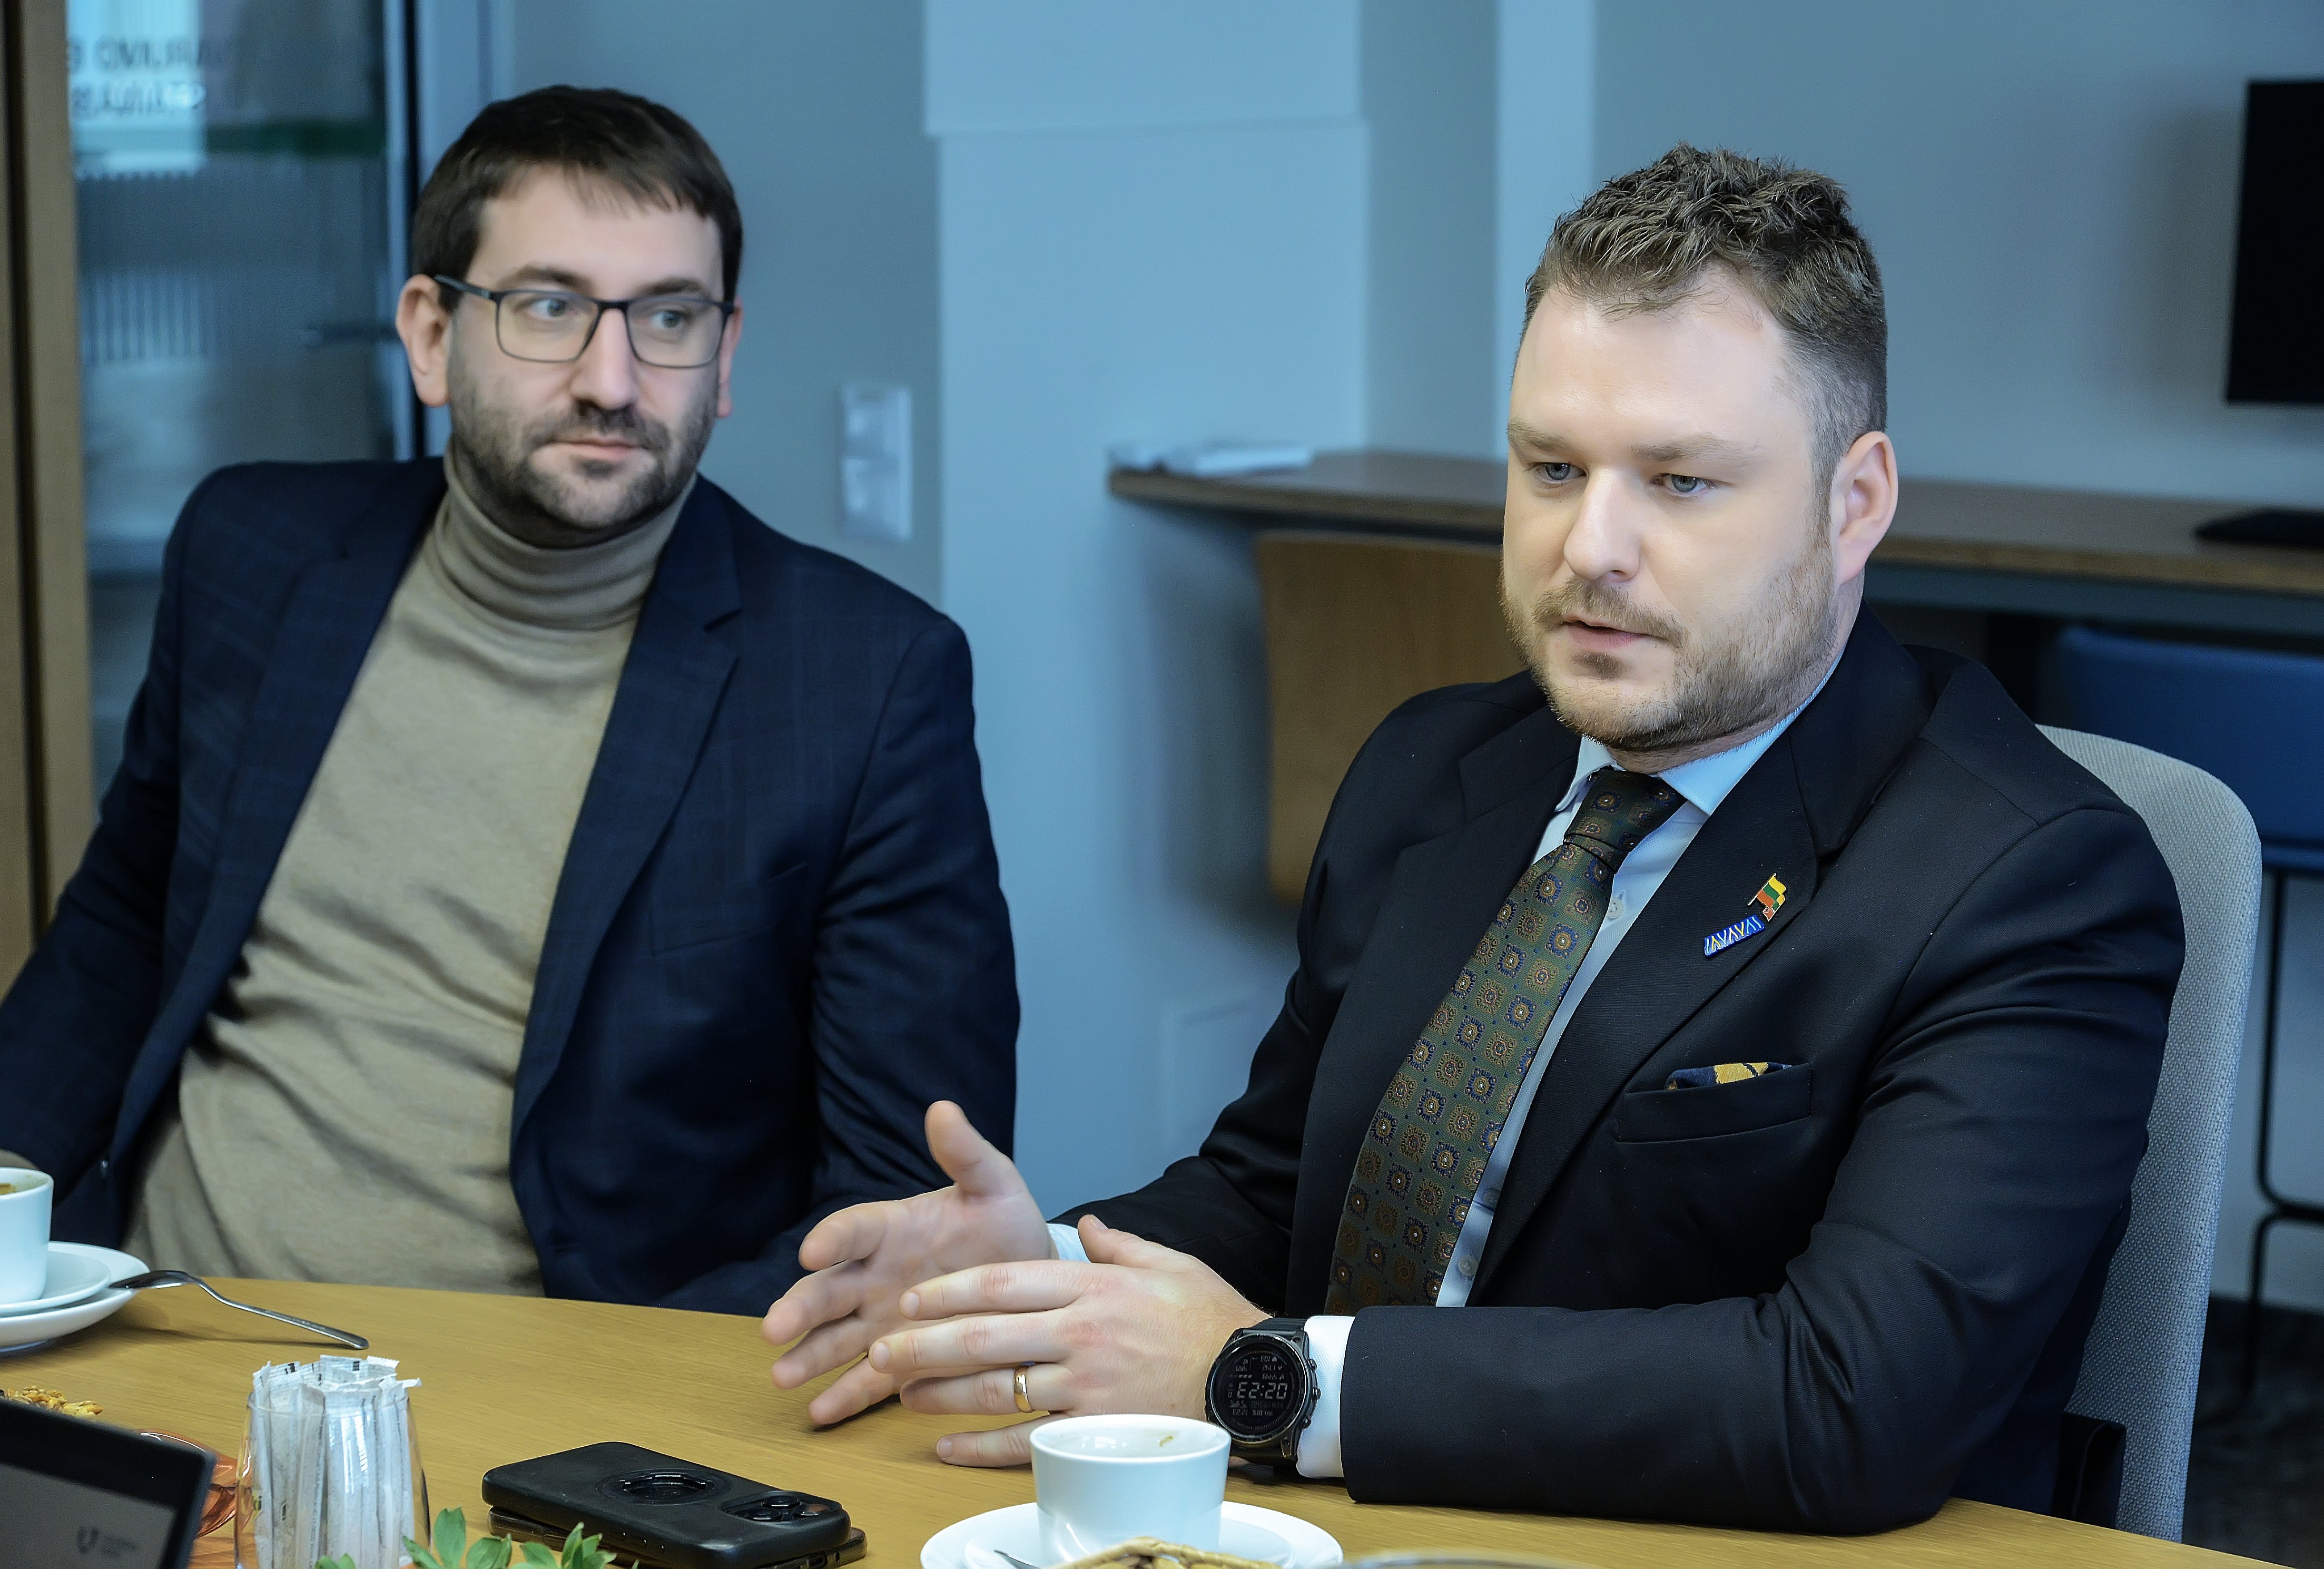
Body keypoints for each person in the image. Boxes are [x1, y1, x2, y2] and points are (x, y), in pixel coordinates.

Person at [760, 145, 2183, 1532]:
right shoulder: (1436, 765)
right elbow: (1277, 1188)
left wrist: (1264, 1378)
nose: (1590, 548)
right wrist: (1047, 1268)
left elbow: (1853, 1399)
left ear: (1852, 501)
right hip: (1347, 1517)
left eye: (1680, 482)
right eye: (1551, 468)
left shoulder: (2030, 881)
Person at [0, 87, 1017, 1313]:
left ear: (725, 356)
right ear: (431, 336)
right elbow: (120, 928)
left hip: (552, 1390)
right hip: (162, 1324)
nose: (612, 380)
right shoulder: (251, 552)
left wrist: (604, 1410)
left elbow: (903, 1201)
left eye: (670, 317)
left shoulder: (864, 682)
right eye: (549, 308)